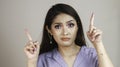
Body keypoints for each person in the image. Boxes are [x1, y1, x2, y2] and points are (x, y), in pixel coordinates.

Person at [24, 3, 114, 67]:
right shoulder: (43, 60)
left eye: (70, 25)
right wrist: (32, 61)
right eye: (58, 26)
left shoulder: (93, 55)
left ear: (77, 27)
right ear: (49, 30)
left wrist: (98, 44)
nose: (65, 32)